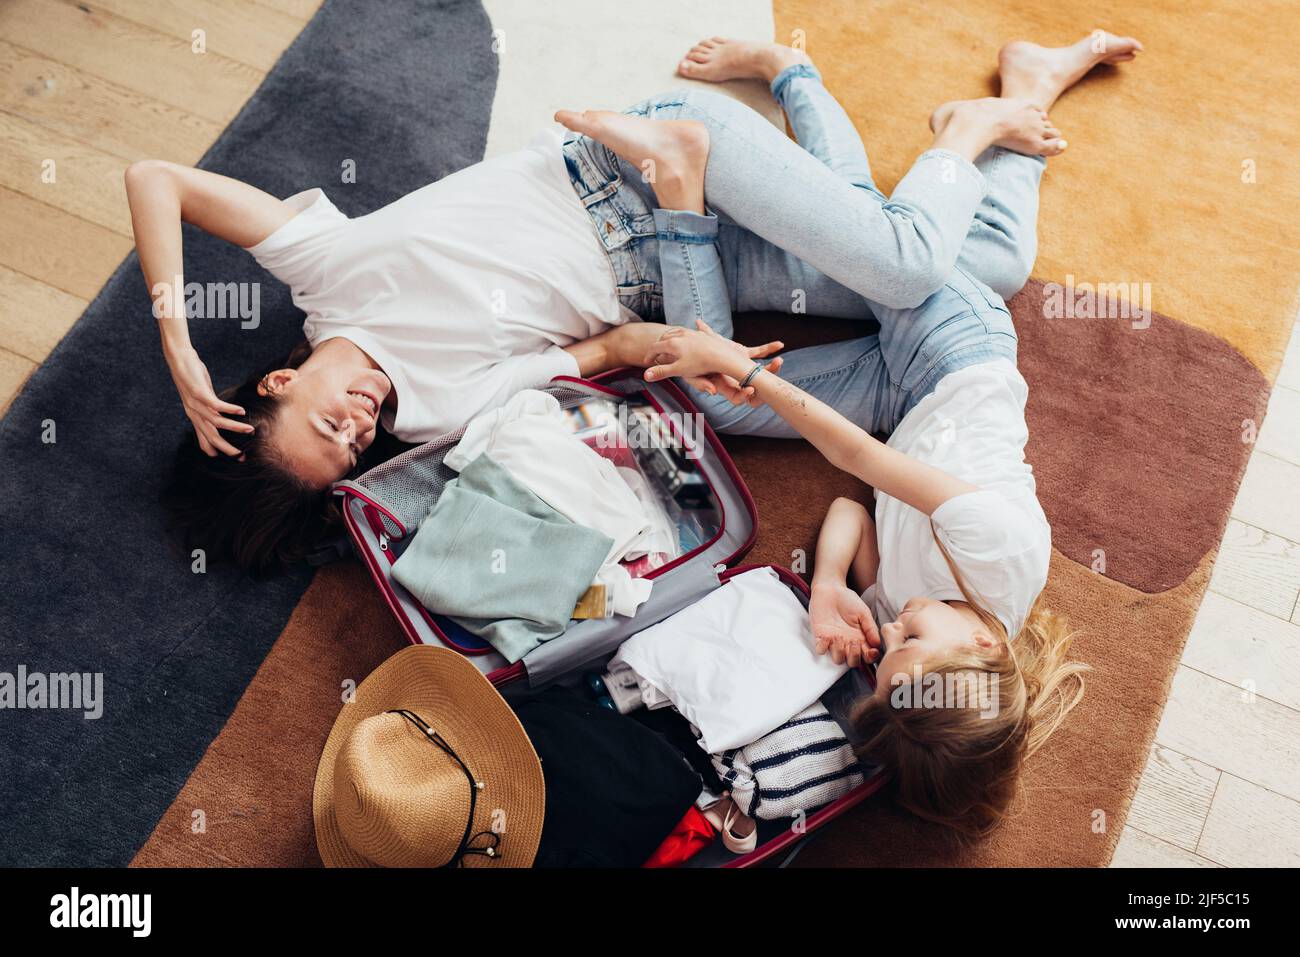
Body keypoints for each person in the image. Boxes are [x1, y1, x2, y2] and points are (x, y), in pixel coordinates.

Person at [125, 28, 1130, 574]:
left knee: (906, 269)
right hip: (684, 261)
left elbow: (155, 176)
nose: (357, 425)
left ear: (281, 376)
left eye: (322, 420)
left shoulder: (322, 268)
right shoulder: (431, 412)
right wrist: (708, 356)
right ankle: (992, 87)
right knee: (979, 269)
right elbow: (604, 349)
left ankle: (958, 134)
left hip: (639, 158)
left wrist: (175, 338)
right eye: (348, 449)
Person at [562, 30, 1141, 834]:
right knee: (892, 253)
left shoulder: (913, 632)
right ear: (982, 647)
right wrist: (753, 368)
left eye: (887, 649)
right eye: (910, 637)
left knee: (725, 400)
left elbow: (851, 511)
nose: (891, 626)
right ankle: (935, 124)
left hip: (893, 399)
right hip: (955, 354)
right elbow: (856, 458)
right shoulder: (1006, 554)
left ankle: (1026, 91)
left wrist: (831, 585)